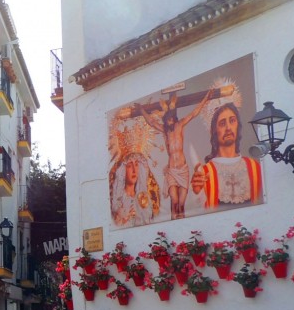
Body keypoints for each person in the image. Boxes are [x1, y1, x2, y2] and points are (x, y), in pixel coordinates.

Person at [130, 87, 216, 219]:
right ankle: (172, 222)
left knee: (181, 204)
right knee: (174, 201)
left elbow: (194, 113)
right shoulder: (165, 130)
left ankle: (181, 224)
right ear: (165, 120)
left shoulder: (180, 125)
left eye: (171, 119)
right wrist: (141, 110)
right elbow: (152, 122)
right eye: (167, 120)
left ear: (174, 118)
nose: (169, 122)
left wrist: (206, 98)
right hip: (171, 171)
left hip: (183, 170)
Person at [190, 102, 263, 209]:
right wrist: (197, 192)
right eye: (222, 123)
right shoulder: (205, 173)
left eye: (232, 121)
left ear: (238, 125)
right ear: (214, 131)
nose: (228, 127)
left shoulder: (254, 167)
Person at [110, 153, 160, 227]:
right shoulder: (118, 200)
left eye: (136, 165)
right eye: (129, 166)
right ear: (123, 171)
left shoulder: (144, 198)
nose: (134, 170)